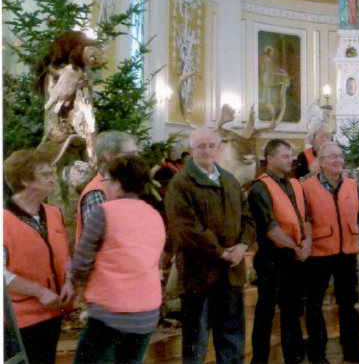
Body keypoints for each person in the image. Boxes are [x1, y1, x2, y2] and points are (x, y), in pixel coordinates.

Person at [165, 128, 255, 364]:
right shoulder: (181, 183)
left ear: (219, 148)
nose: (206, 151)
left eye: (211, 146)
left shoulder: (229, 180)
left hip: (231, 274)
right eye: (201, 146)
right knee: (196, 345)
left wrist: (243, 246)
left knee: (232, 341)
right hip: (198, 276)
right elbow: (186, 228)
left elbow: (248, 218)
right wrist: (222, 252)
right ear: (192, 150)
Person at [71, 155, 166, 364]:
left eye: (107, 181)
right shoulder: (154, 215)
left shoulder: (104, 212)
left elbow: (81, 261)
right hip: (147, 313)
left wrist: (78, 290)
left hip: (110, 312)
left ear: (118, 182)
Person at [301, 142, 359, 364]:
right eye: (332, 156)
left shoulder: (353, 184)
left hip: (347, 252)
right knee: (314, 304)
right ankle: (317, 352)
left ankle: (352, 349)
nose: (338, 160)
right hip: (319, 253)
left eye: (341, 156)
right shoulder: (306, 186)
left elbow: (358, 211)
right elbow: (305, 218)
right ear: (321, 162)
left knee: (348, 304)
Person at [3, 149, 74, 364]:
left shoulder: (53, 213)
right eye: (45, 174)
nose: (53, 178)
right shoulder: (3, 220)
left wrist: (69, 281)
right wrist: (40, 291)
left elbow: (64, 255)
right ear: (25, 180)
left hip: (53, 312)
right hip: (20, 319)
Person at [248, 139, 308, 364]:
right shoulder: (259, 187)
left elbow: (306, 218)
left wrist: (307, 243)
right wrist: (297, 246)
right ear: (270, 158)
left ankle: (293, 357)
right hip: (272, 258)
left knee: (292, 312)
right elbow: (269, 227)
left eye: (291, 155)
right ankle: (260, 360)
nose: (290, 160)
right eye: (285, 156)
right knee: (266, 313)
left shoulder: (294, 184)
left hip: (294, 257)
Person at [76, 131, 138, 244]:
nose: (136, 159)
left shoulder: (123, 186)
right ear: (110, 156)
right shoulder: (96, 192)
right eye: (131, 154)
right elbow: (98, 242)